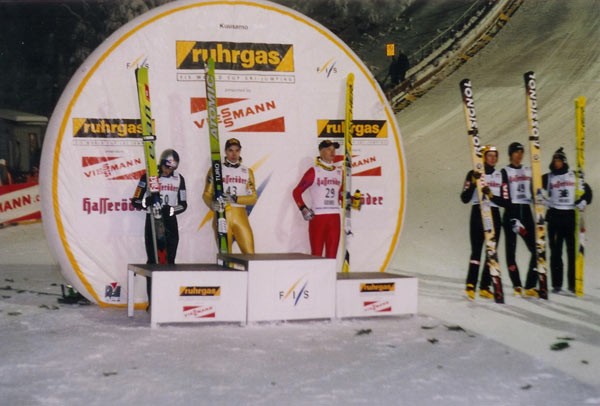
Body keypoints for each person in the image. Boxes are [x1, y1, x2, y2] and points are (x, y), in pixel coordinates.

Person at [542, 147, 592, 294]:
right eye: (554, 161)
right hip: (555, 216)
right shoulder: (549, 177)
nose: (557, 163)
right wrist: (542, 199)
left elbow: (587, 192)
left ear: (564, 162)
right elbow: (534, 186)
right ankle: (557, 284)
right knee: (556, 252)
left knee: (571, 252)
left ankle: (572, 283)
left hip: (570, 216)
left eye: (559, 160)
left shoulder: (574, 176)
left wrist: (584, 200)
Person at [460, 145, 504, 300]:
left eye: (495, 156)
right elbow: (464, 198)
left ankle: (485, 286)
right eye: (489, 155)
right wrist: (473, 183)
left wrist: (491, 195)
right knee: (476, 250)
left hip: (494, 213)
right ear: (483, 157)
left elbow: (505, 202)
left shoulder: (500, 175)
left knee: (491, 251)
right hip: (478, 213)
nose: (493, 158)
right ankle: (470, 285)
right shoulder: (473, 173)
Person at [131, 149, 188, 264]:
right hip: (152, 219)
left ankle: (170, 281)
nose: (168, 170)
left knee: (170, 259)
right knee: (153, 259)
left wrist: (172, 209)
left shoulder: (179, 178)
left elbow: (183, 204)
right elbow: (135, 201)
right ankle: (152, 282)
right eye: (166, 167)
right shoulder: (148, 176)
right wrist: (146, 202)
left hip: (169, 220)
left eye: (172, 168)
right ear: (162, 162)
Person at [202, 138, 257, 254]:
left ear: (240, 151)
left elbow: (253, 198)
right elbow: (206, 194)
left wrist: (235, 198)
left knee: (250, 255)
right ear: (225, 151)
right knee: (225, 255)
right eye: (230, 150)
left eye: (237, 150)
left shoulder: (247, 171)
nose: (234, 154)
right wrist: (212, 204)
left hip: (240, 216)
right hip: (222, 215)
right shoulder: (216, 169)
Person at [500, 142, 539, 297]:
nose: (519, 155)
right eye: (516, 152)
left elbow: (537, 187)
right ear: (511, 154)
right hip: (512, 211)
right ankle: (517, 285)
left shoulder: (528, 170)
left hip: (526, 211)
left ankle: (530, 285)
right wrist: (512, 218)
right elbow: (504, 194)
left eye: (521, 152)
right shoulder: (505, 171)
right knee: (511, 251)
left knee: (536, 249)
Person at [292, 140, 343, 259]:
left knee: (332, 256)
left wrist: (352, 200)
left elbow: (340, 195)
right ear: (321, 151)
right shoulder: (314, 171)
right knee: (316, 255)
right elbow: (296, 192)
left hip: (334, 217)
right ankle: (316, 277)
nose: (332, 152)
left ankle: (329, 278)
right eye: (329, 149)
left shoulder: (339, 172)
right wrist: (303, 209)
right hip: (318, 217)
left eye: (334, 149)